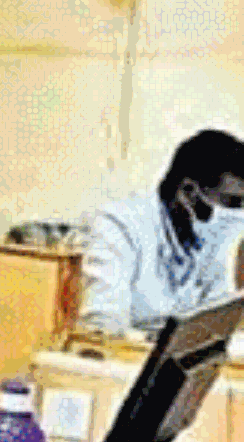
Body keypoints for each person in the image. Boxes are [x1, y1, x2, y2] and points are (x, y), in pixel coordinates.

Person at [80, 129, 244, 335]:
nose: (238, 213)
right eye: (233, 202)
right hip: (128, 350)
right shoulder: (120, 225)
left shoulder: (211, 237)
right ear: (188, 192)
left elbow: (214, 322)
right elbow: (103, 326)